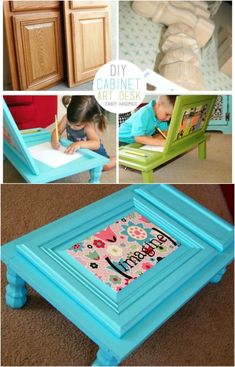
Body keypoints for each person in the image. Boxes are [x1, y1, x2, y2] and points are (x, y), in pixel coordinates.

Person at [51, 96, 116, 171]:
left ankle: (118, 159)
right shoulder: (66, 118)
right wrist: (54, 140)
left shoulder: (88, 126)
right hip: (78, 149)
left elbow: (96, 144)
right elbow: (58, 130)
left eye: (77, 125)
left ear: (87, 121)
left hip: (94, 151)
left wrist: (79, 144)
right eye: (70, 122)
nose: (72, 126)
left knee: (104, 166)